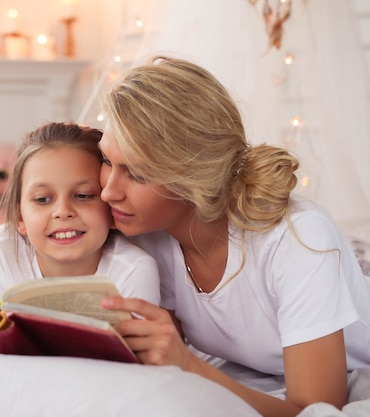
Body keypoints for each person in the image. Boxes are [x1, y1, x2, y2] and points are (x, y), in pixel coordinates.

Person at [96, 55, 370, 416]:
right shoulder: (143, 232)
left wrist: (188, 365)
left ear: (191, 176)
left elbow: (316, 410)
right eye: (107, 162)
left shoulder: (298, 238)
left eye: (137, 174)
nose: (108, 192)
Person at [0, 122, 161, 360]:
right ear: (19, 218)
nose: (63, 211)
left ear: (110, 208)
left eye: (83, 195)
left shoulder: (134, 270)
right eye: (43, 199)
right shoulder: (4, 247)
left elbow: (138, 365)